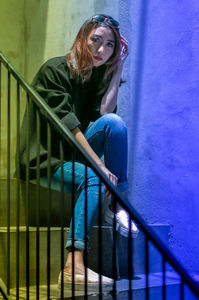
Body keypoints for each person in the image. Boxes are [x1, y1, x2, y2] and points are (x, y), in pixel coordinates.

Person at [19, 14, 139, 292]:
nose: (101, 50)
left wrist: (118, 67)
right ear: (82, 38)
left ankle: (117, 202)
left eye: (110, 45)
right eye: (95, 40)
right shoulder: (55, 70)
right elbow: (69, 127)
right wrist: (98, 164)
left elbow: (107, 115)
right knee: (94, 178)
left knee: (115, 124)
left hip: (73, 157)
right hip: (44, 160)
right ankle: (73, 265)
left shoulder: (94, 76)